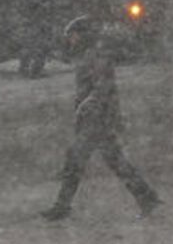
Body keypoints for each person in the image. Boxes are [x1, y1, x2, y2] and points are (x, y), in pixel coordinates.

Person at [41, 16, 160, 221]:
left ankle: (62, 206)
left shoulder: (95, 56)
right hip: (97, 118)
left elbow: (101, 89)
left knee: (76, 161)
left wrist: (88, 108)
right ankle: (147, 196)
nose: (71, 40)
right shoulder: (92, 55)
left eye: (73, 36)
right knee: (115, 162)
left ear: (83, 36)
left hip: (95, 119)